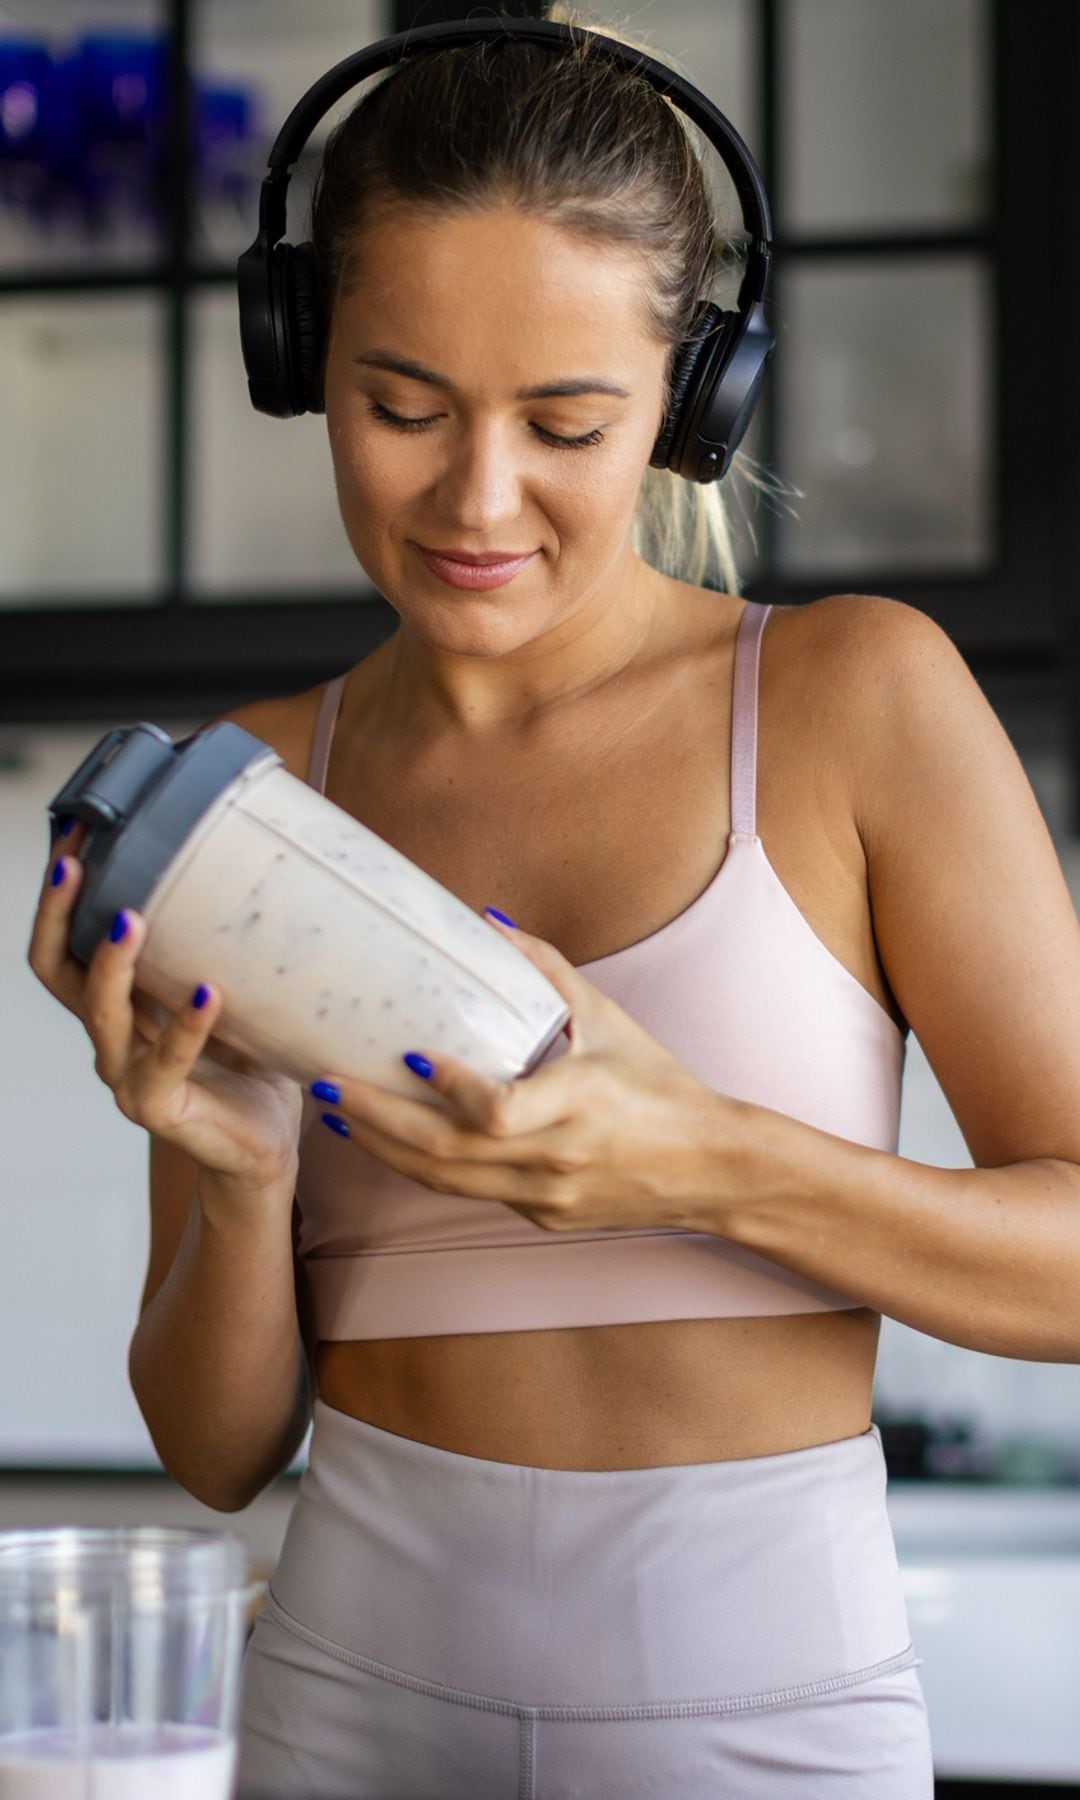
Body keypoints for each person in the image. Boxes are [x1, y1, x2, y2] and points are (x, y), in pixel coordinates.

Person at [27, 7, 1080, 1796]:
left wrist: (699, 1155)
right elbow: (214, 1453)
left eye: (567, 423)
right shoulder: (266, 790)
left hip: (766, 1719)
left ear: (685, 399)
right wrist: (241, 1161)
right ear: (303, 360)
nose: (477, 496)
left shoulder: (850, 700)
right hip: (345, 1702)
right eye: (400, 406)